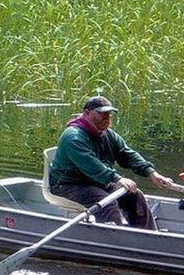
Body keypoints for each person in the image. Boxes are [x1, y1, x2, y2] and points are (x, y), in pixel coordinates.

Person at [48, 95, 173, 228]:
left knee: (134, 195)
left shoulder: (108, 134)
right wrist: (117, 178)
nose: (106, 117)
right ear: (87, 113)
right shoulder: (73, 137)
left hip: (96, 181)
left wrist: (151, 173)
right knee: (107, 204)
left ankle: (147, 235)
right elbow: (92, 166)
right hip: (68, 184)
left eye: (109, 113)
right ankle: (115, 238)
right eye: (102, 113)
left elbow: (127, 154)